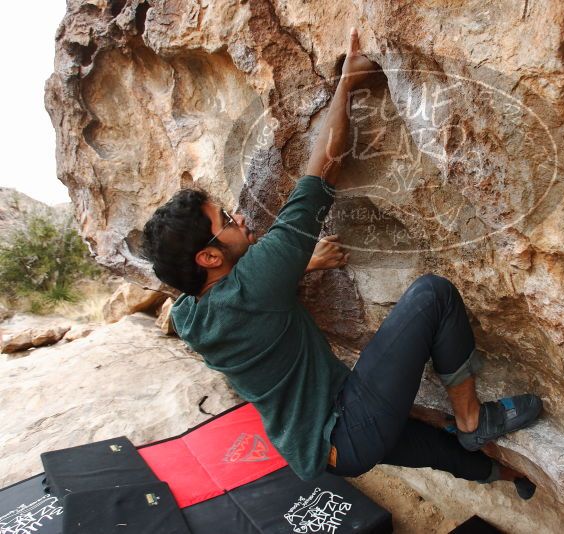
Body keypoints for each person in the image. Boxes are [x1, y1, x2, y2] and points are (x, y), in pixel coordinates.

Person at [142, 28, 542, 499]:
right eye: (226, 219)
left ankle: (513, 479)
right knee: (433, 294)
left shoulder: (191, 316)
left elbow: (244, 308)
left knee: (438, 445)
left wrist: (303, 267)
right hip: (348, 426)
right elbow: (321, 171)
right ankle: (474, 418)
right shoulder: (258, 280)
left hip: (325, 451)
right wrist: (347, 85)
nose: (241, 217)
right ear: (209, 257)